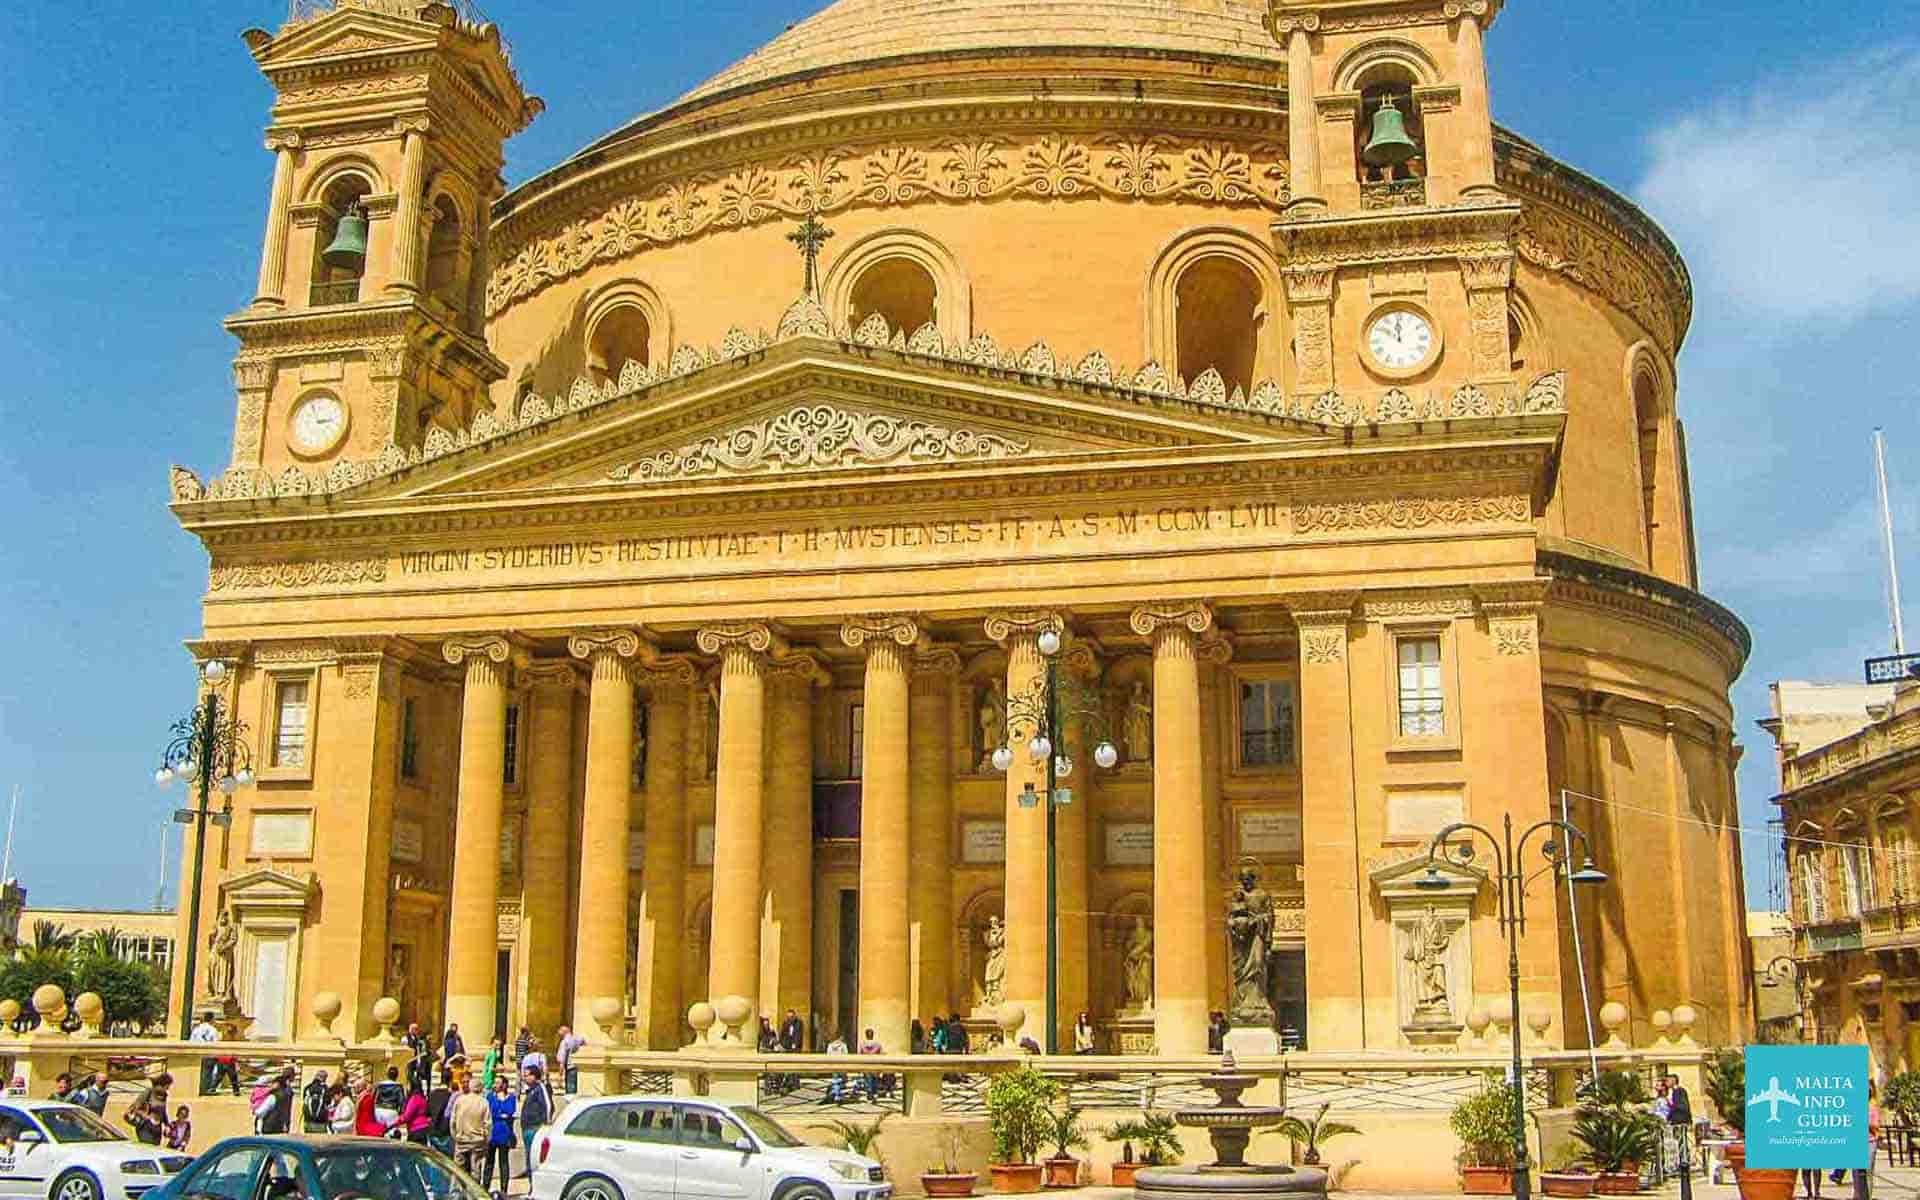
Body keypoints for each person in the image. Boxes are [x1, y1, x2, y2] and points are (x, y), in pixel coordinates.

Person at [451, 1077, 492, 1183]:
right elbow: (488, 1124)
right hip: (477, 1140)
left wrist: (455, 1136)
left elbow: (452, 1121)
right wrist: (487, 1139)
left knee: (458, 1171)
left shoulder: (459, 1100)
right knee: (475, 1171)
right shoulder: (483, 1102)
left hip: (461, 1139)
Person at [484, 1074, 517, 1200]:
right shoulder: (490, 1097)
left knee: (504, 1162)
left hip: (505, 1134)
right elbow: (490, 1111)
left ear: (504, 1085)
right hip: (492, 1133)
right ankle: (485, 1186)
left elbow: (509, 1111)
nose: (495, 1085)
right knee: (489, 1162)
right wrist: (500, 1113)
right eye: (495, 1083)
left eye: (498, 1083)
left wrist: (501, 1112)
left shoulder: (511, 1098)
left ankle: (504, 1190)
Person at [519, 1065, 553, 1179]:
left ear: (534, 1076)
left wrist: (545, 1125)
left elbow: (548, 1106)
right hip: (527, 1129)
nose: (525, 1078)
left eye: (527, 1075)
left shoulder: (541, 1088)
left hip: (535, 1129)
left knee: (534, 1159)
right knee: (528, 1158)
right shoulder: (531, 1090)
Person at [426, 1072, 455, 1156]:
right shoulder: (451, 1096)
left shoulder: (432, 1094)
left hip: (432, 1131)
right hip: (445, 1132)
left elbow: (427, 1112)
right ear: (450, 1081)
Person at [555, 1026, 586, 1095]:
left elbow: (562, 1059)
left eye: (560, 1031)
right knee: (575, 1087)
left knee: (570, 1089)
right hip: (577, 1066)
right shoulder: (577, 1039)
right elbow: (584, 1041)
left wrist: (560, 1074)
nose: (558, 1033)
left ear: (564, 1032)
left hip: (570, 1067)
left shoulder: (564, 1042)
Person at [858, 1027, 885, 1101]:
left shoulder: (862, 1044)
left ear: (866, 1035)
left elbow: (859, 1054)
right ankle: (874, 1092)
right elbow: (881, 1053)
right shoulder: (877, 1044)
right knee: (875, 1079)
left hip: (866, 1064)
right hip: (875, 1064)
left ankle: (869, 1092)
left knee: (867, 1079)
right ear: (873, 1035)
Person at [824, 1030, 851, 1103]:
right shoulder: (843, 1045)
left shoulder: (830, 1045)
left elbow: (828, 1055)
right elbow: (846, 1055)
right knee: (841, 1080)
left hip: (833, 1064)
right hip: (841, 1065)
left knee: (835, 1079)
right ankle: (837, 1095)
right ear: (840, 1037)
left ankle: (835, 1093)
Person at [303, 1070, 332, 1134]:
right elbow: (328, 1103)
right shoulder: (325, 1089)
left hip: (308, 1120)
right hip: (320, 1120)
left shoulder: (307, 1088)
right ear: (324, 1078)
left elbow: (304, 1101)